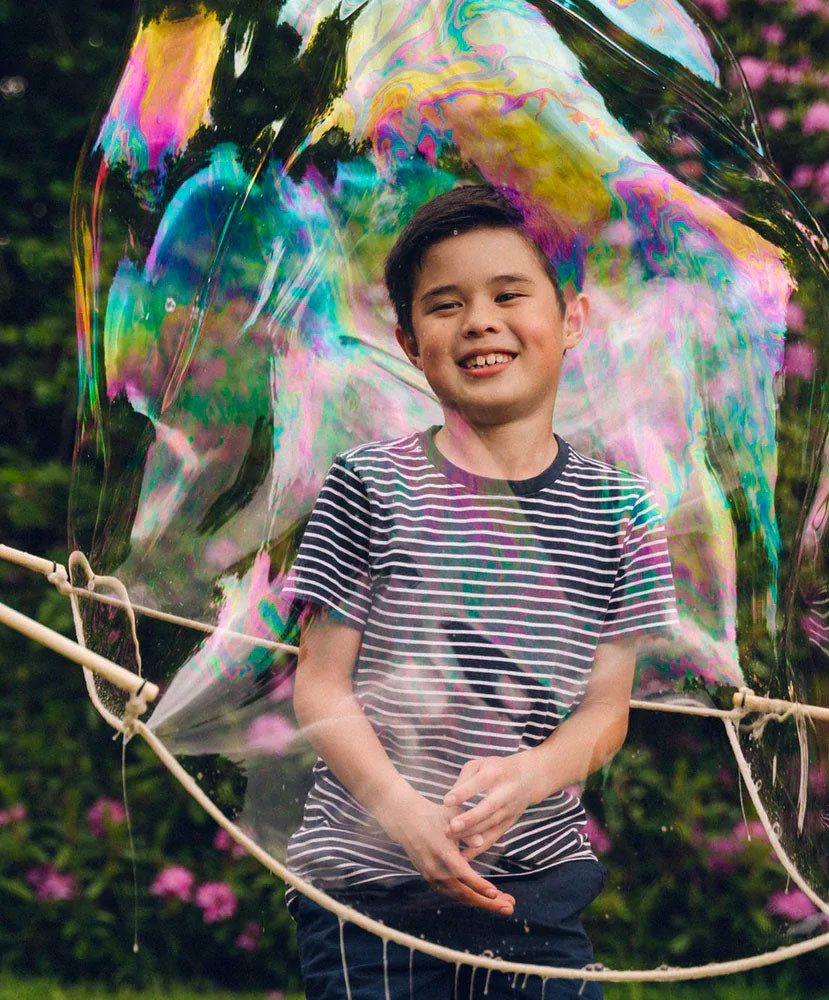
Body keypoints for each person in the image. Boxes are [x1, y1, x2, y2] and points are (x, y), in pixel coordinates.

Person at [287, 184, 678, 998]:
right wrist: (403, 815)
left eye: (509, 293)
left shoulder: (623, 512)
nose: (479, 321)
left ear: (571, 319)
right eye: (444, 304)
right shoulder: (369, 485)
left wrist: (535, 774)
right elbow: (319, 685)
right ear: (407, 339)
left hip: (537, 895)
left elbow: (606, 712)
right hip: (371, 898)